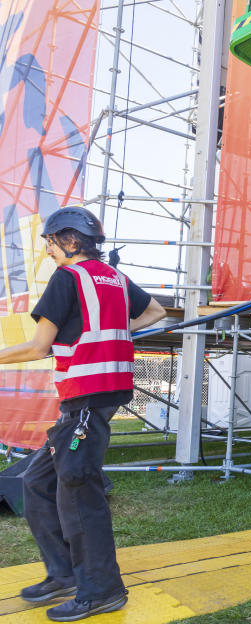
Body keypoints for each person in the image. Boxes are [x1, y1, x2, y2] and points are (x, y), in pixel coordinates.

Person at [0, 206, 166, 621]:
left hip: (86, 404)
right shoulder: (114, 278)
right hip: (99, 399)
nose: (48, 251)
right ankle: (64, 575)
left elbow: (39, 347)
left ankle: (102, 590)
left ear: (70, 241)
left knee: (79, 492)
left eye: (50, 243)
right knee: (37, 482)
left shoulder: (68, 277)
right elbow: (156, 313)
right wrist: (115, 334)